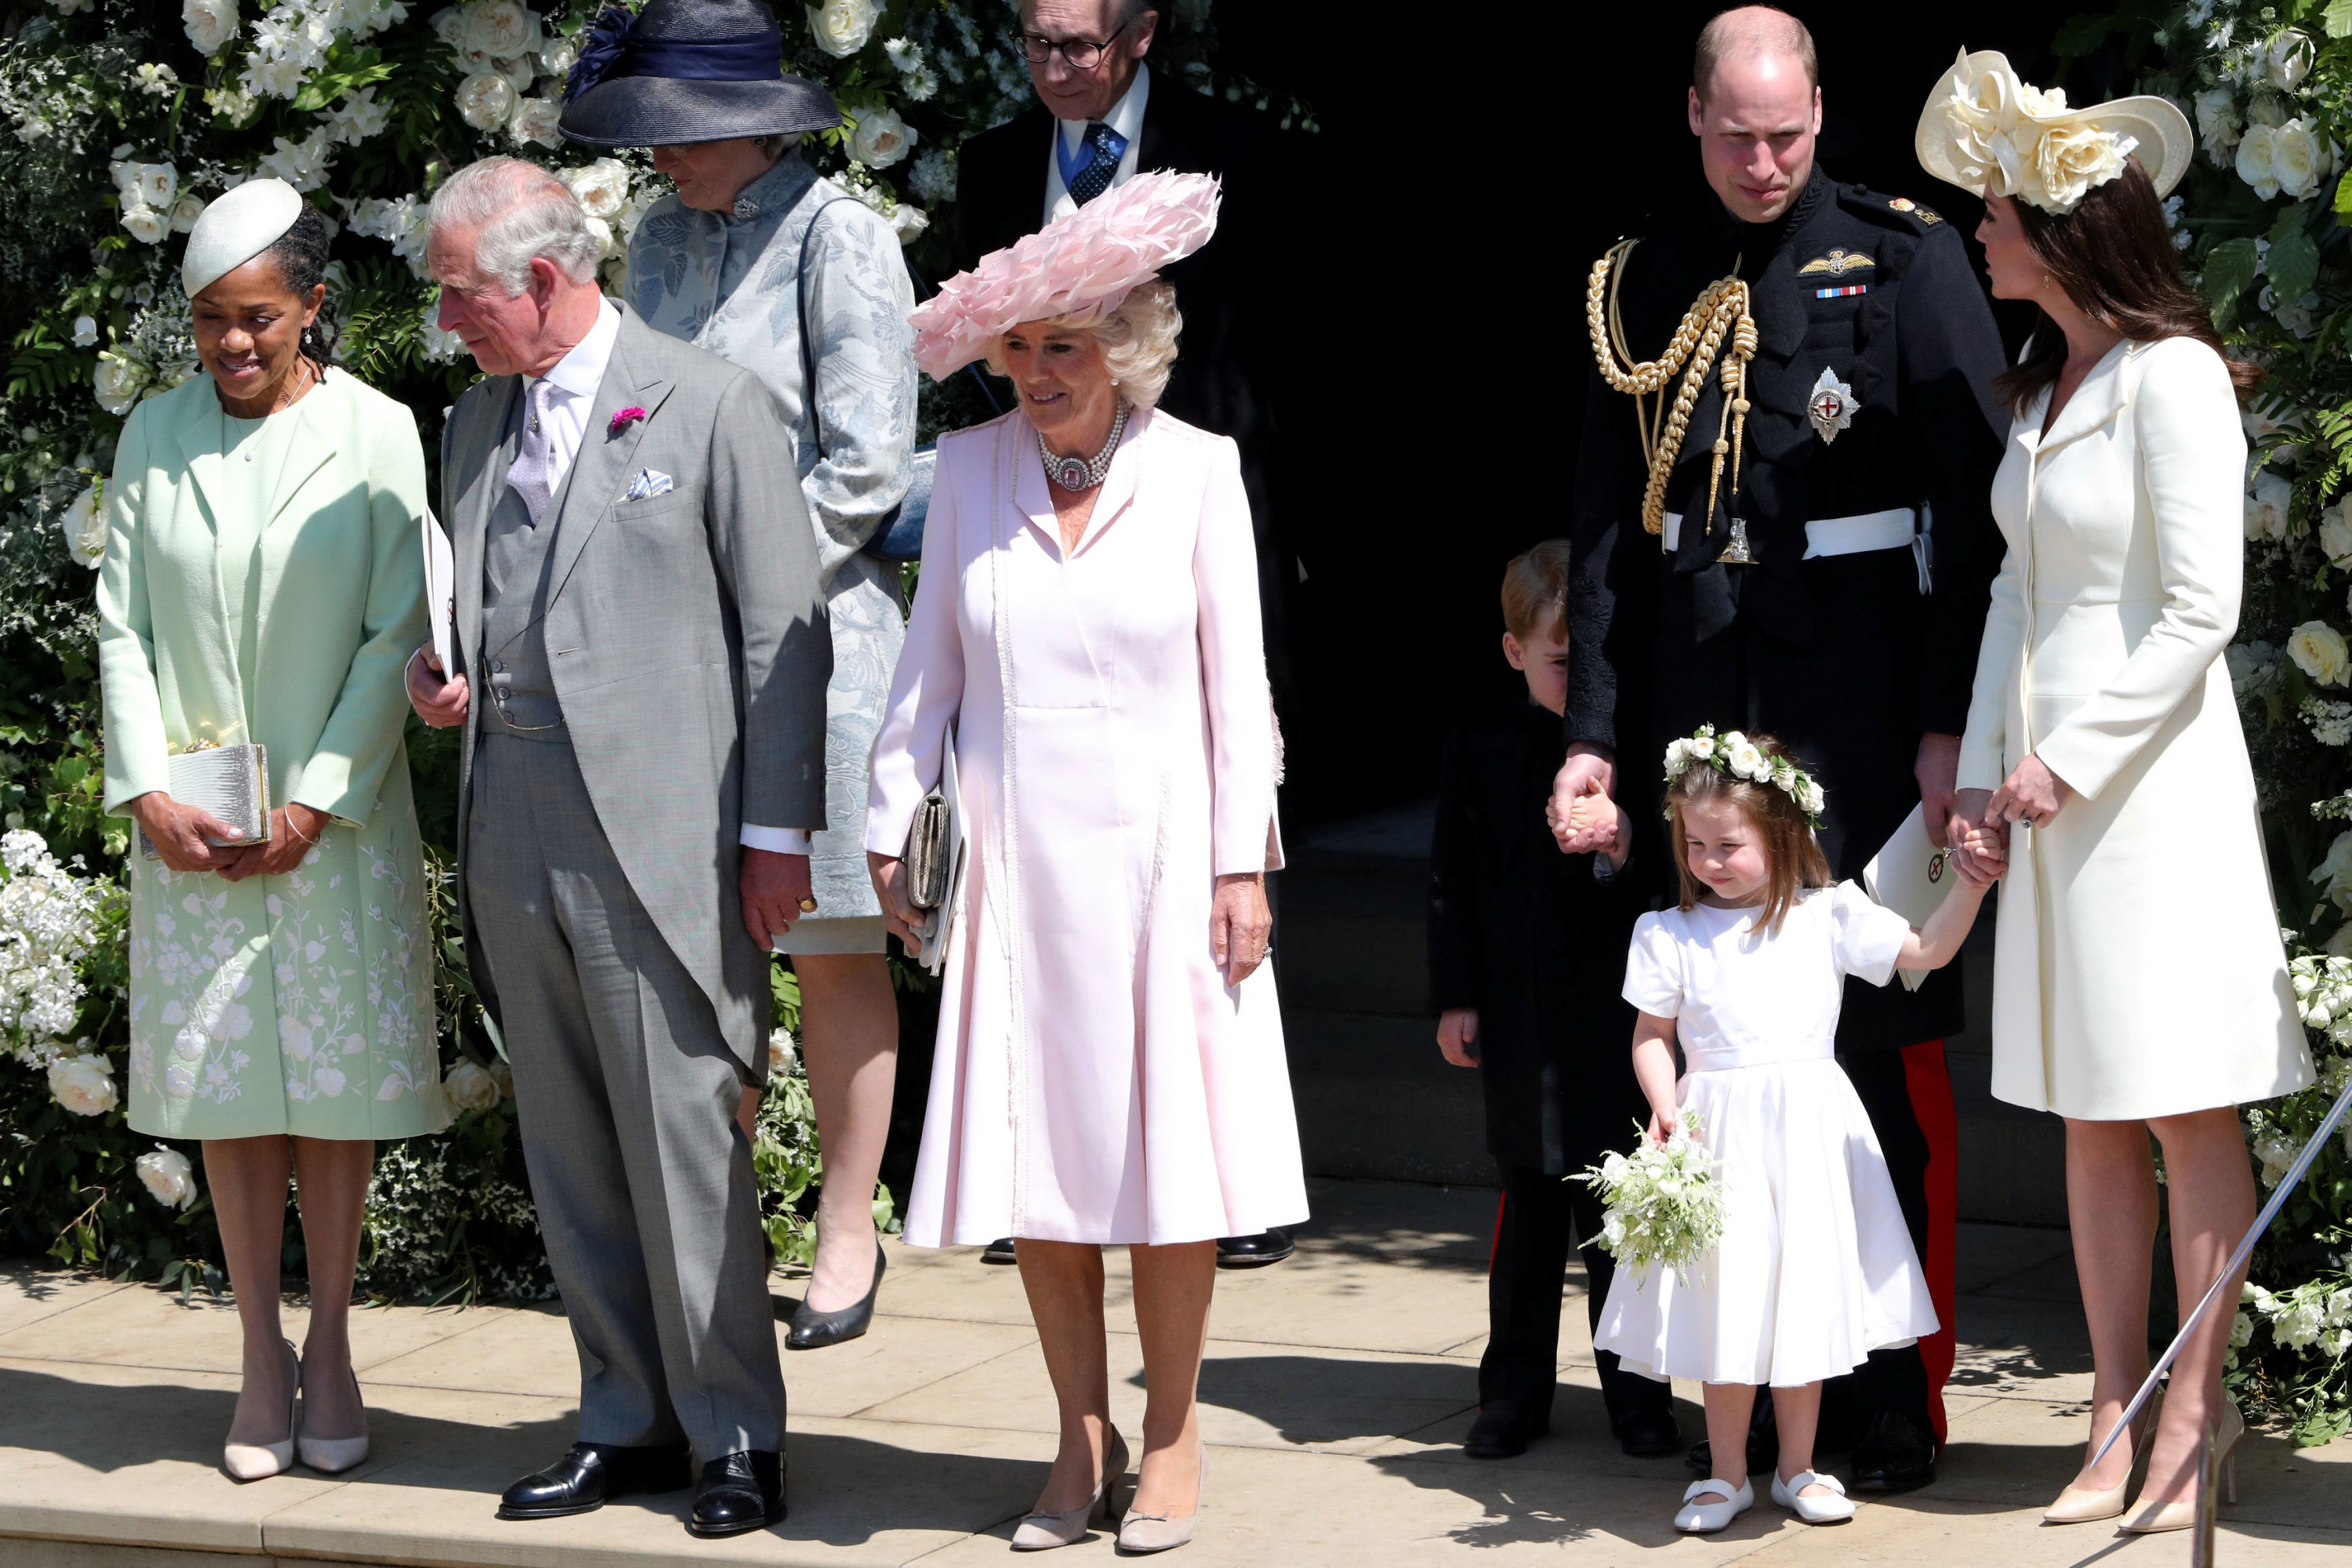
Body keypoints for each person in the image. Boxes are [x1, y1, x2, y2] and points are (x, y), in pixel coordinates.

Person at [1550, 4, 2007, 1488]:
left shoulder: (1909, 254)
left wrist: (1949, 722)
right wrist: (1596, 743)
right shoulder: (1640, 280)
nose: (1764, 159)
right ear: (1691, 116)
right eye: (1737, 132)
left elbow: (1973, 510)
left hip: (1860, 717)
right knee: (1702, 1065)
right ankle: (1719, 1381)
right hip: (1699, 710)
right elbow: (1612, 543)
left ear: (1822, 111)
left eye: (1789, 132)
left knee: (1873, 1068)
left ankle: (1894, 1390)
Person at [866, 171, 1305, 1555]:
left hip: (1171, 864)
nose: (1041, 372)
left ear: (1128, 353)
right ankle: (1078, 1437)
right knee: (1040, 1165)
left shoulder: (1201, 470)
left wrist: (1245, 865)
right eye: (1025, 347)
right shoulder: (971, 472)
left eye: (1070, 347)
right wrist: (890, 820)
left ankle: (1170, 1438)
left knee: (1167, 1167)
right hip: (1015, 865)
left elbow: (1242, 690)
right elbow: (925, 665)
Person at [1916, 52, 2316, 1533]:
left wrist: (2063, 759)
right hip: (2040, 800)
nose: (1981, 226)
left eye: (2001, 207)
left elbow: (2198, 612)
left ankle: (2189, 1415)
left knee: (2181, 1108)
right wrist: (1972, 774)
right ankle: (2111, 1406)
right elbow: (2019, 600)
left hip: (2148, 799)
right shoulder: (2042, 390)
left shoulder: (2176, 377)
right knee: (2090, 1110)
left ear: (2070, 229)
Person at [402, 156, 830, 1538]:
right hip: (511, 816)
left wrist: (776, 842)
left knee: (682, 1136)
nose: (448, 320)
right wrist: (440, 676)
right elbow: (473, 600)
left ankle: (736, 1437)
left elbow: (783, 639)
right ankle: (624, 1416)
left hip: (662, 833)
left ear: (541, 278)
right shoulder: (474, 424)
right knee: (573, 1142)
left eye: (462, 294)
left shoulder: (708, 404)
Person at [559, 0, 920, 1352]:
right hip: (674, 645)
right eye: (649, 138)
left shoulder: (844, 240)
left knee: (828, 944)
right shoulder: (654, 239)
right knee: (700, 948)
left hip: (813, 640)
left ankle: (845, 1227)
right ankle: (710, 1236)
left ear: (751, 124)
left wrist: (740, 577)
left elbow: (869, 468)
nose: (662, 160)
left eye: (682, 135)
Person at [95, 180, 447, 1483]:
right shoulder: (152, 432)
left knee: (332, 1101)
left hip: (332, 824)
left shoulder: (380, 432)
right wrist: (145, 789)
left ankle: (337, 1344)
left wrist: (315, 798)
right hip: (193, 826)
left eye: (255, 318)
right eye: (207, 323)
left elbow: (396, 625)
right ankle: (257, 1352)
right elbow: (120, 619)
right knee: (231, 1093)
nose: (232, 346)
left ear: (311, 306)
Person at [1589, 729, 1980, 1534]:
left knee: (1803, 1296)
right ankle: (1727, 1471)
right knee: (1726, 1299)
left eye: (1728, 844)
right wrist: (1665, 1104)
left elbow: (1927, 949)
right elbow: (1651, 1034)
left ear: (1783, 833)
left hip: (1806, 1132)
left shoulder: (1827, 914)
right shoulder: (1670, 931)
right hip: (1717, 1135)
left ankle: (1800, 1466)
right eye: (1694, 844)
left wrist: (1970, 882)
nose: (1708, 860)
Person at [1427, 541, 1679, 1461]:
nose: (1574, 680)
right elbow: (1452, 877)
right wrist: (1456, 997)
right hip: (1517, 1011)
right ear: (1514, 653)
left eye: (1589, 663)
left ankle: (1639, 1394)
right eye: (1559, 660)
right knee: (1528, 1215)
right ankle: (1513, 1391)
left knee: (1618, 1216)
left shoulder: (1630, 750)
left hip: (1608, 1018)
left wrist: (1616, 844)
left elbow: (1661, 872)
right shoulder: (1481, 745)